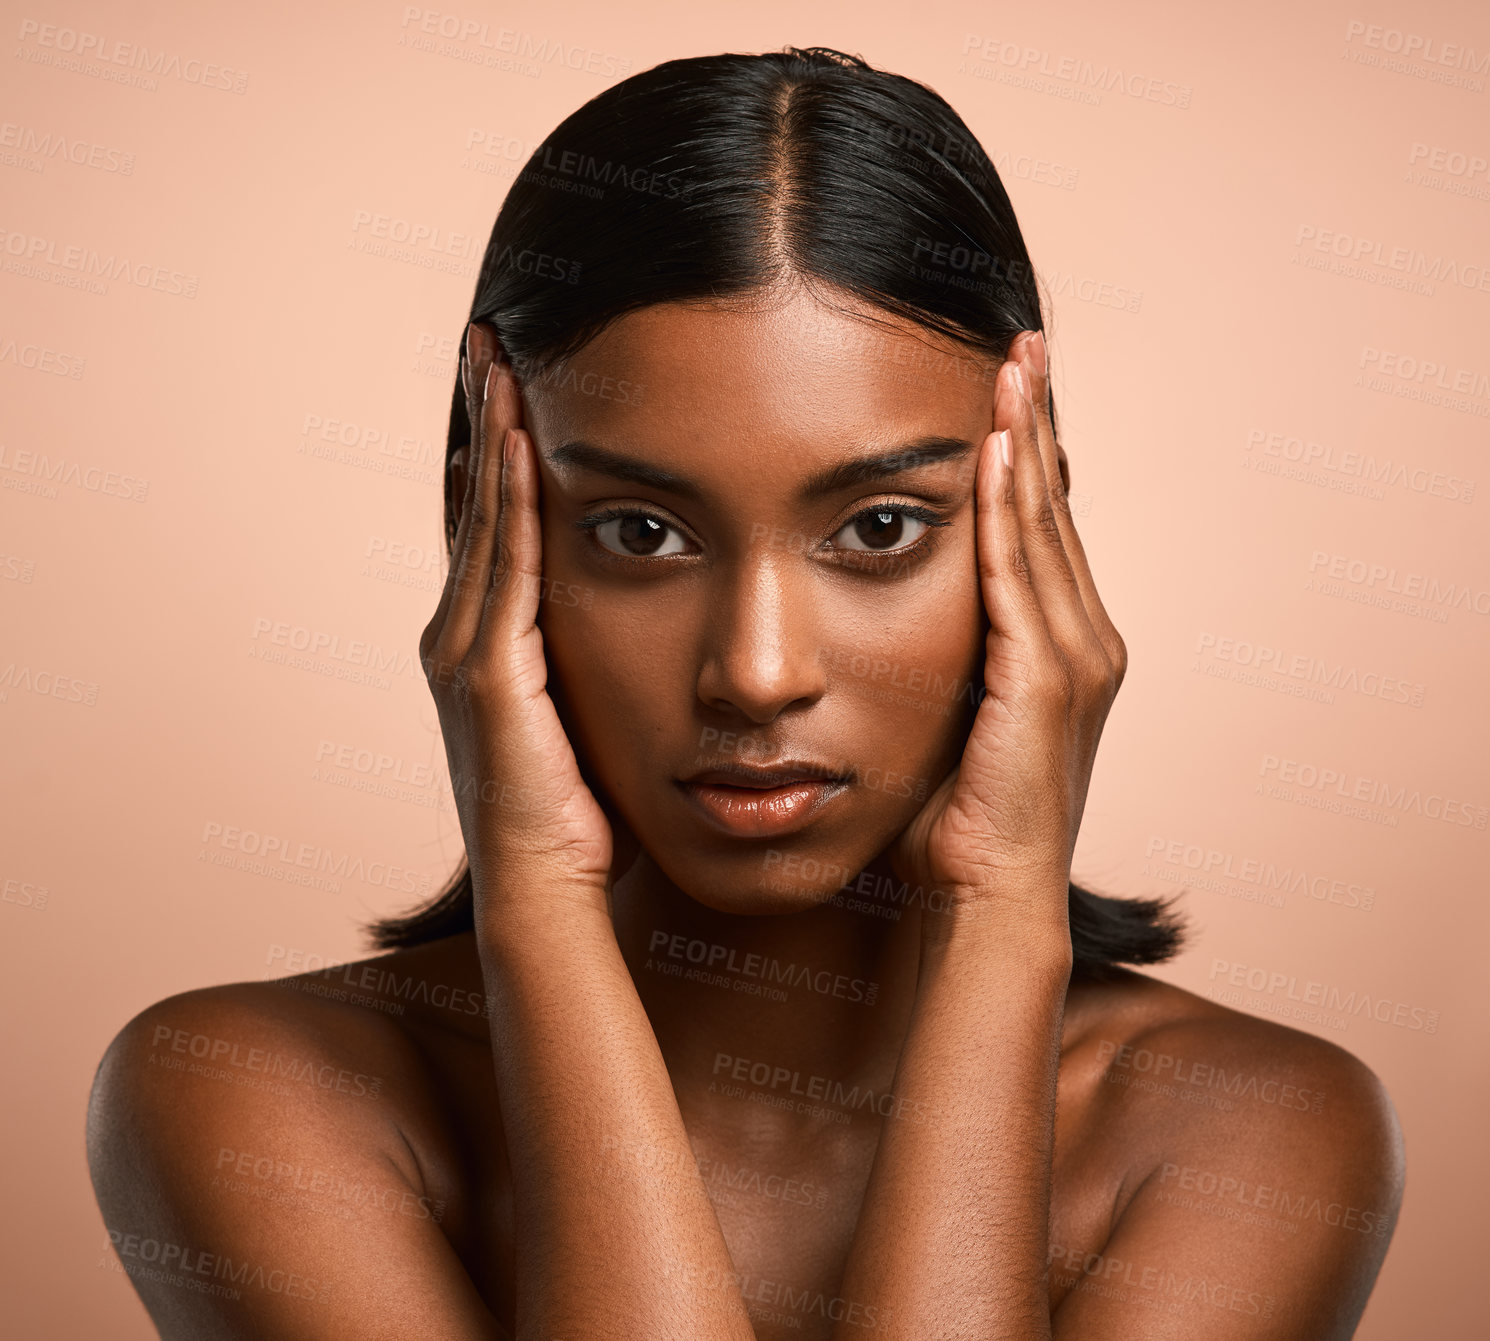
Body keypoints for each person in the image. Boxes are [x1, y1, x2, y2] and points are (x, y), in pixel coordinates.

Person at [87, 46, 1403, 1339]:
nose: (757, 672)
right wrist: (534, 901)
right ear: (485, 522)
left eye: (880, 528)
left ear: (1035, 515)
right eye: (642, 533)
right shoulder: (254, 1094)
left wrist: (1002, 914)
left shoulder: (1245, 1130)